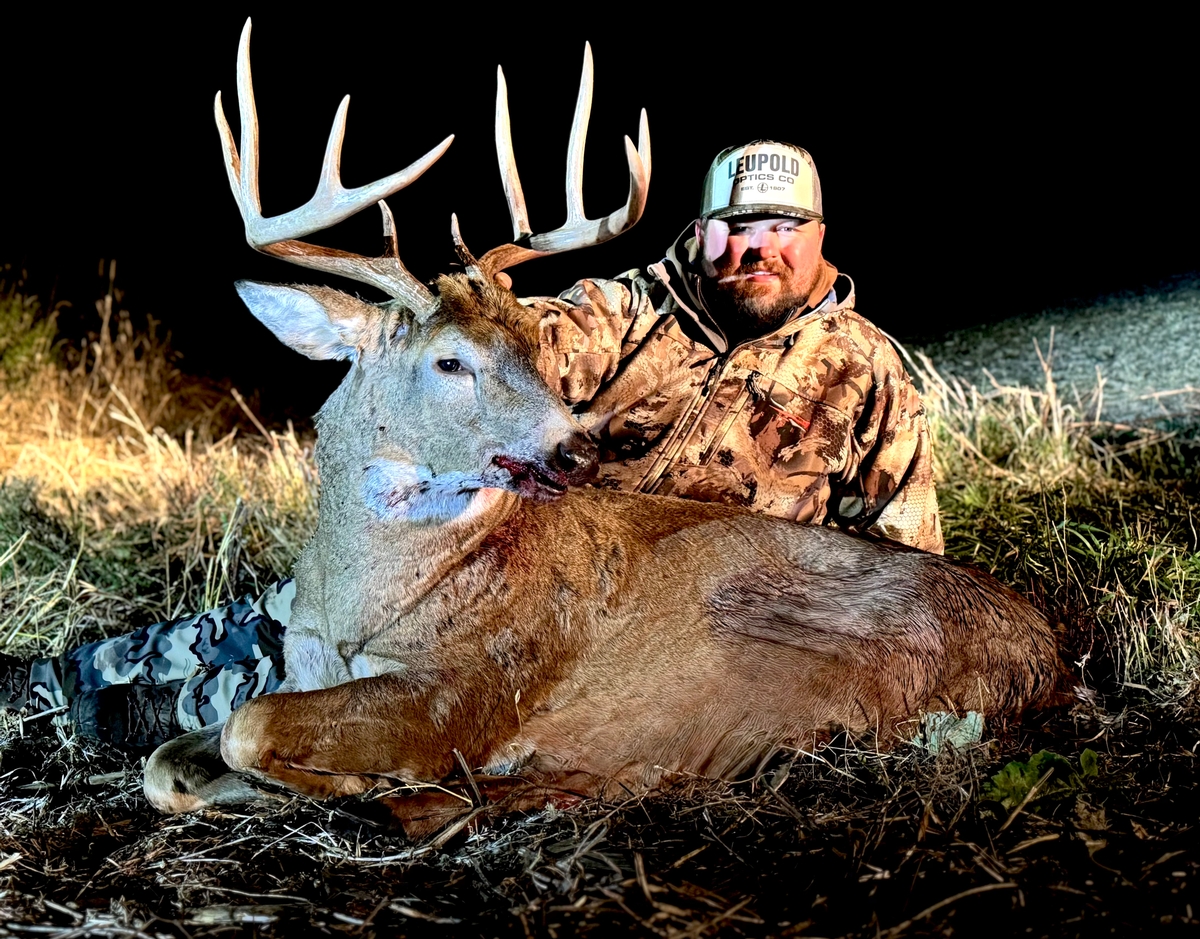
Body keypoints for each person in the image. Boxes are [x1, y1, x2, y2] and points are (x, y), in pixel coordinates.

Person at [0, 140, 942, 751]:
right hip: (531, 558)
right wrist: (425, 326)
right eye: (735, 228)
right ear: (700, 234)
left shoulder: (872, 375)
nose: (756, 248)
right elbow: (493, 350)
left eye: (781, 228)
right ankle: (53, 680)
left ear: (819, 237)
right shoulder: (620, 312)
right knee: (287, 609)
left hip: (676, 614)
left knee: (340, 670)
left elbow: (907, 567)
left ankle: (148, 717)